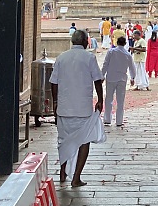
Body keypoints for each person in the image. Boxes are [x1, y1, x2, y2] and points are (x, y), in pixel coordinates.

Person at [50, 29, 105, 186]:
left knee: (63, 140)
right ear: (86, 41)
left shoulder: (61, 57)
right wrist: (100, 100)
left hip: (64, 108)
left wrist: (55, 102)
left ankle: (62, 172)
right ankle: (76, 178)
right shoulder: (89, 58)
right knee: (84, 141)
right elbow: (97, 80)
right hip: (82, 109)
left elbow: (53, 82)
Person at [101, 36, 136, 126]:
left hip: (111, 77)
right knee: (120, 100)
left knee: (109, 98)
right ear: (125, 44)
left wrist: (102, 75)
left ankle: (107, 119)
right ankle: (119, 121)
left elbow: (105, 64)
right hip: (122, 78)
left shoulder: (111, 52)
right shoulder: (127, 54)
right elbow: (132, 67)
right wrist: (133, 77)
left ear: (116, 42)